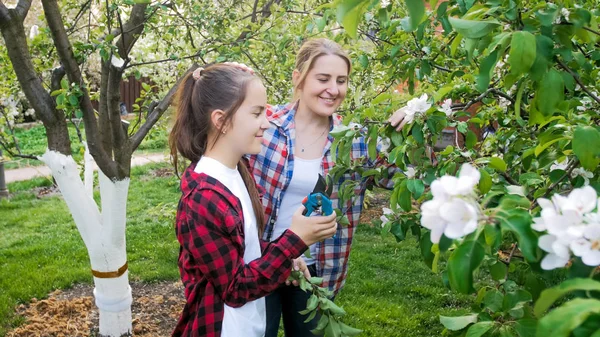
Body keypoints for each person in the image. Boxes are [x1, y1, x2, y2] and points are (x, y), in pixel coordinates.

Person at [247, 38, 405, 337]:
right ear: (298, 78)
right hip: (260, 262)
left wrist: (407, 133)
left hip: (317, 271)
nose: (333, 89)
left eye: (341, 81)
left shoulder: (355, 141)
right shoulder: (265, 127)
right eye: (323, 78)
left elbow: (400, 180)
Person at [169, 62, 338, 337]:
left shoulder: (236, 170)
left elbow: (240, 243)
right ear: (221, 121)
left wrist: (285, 258)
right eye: (258, 112)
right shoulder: (203, 198)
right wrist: (295, 240)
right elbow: (235, 289)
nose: (267, 123)